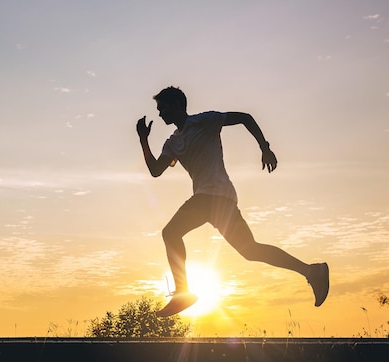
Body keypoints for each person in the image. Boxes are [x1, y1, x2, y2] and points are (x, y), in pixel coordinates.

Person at [136, 86, 329, 317]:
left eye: (163, 108)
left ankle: (183, 291)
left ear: (177, 104)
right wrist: (143, 139)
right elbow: (156, 170)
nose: (159, 113)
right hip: (219, 200)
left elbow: (245, 118)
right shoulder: (172, 143)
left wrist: (265, 148)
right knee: (250, 250)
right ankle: (311, 270)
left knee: (170, 233)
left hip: (213, 196)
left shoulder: (204, 121)